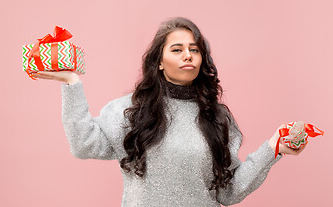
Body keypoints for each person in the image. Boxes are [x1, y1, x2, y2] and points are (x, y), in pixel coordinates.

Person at [32, 17, 305, 206]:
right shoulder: (131, 110)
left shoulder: (217, 117)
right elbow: (83, 145)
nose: (188, 55)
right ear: (160, 62)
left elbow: (229, 192)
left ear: (201, 59)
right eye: (177, 49)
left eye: (194, 50)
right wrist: (71, 84)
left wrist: (274, 148)